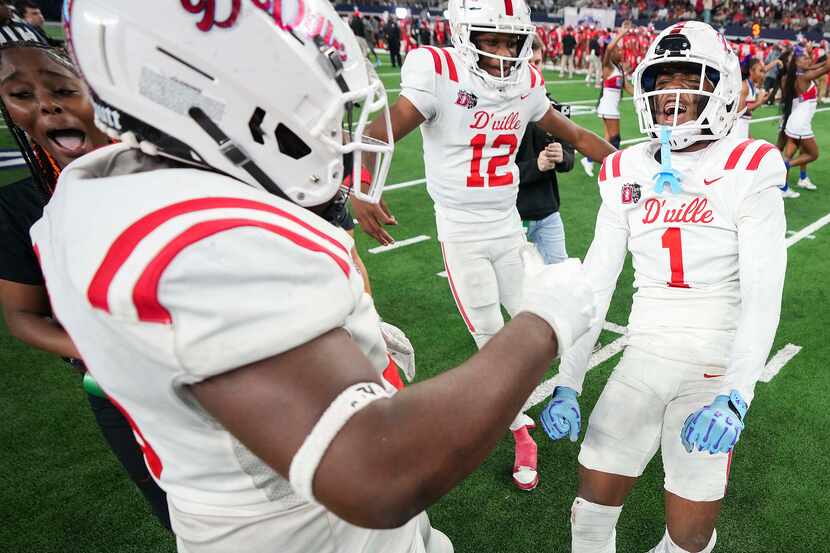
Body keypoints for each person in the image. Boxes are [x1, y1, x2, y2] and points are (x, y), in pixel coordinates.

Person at [39, 2, 597, 552]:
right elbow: (374, 471)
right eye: (302, 97)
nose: (329, 123)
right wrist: (544, 320)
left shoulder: (126, 192)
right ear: (196, 89)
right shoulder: (195, 240)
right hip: (304, 528)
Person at [542, 21, 786, 553]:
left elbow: (764, 300)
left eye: (688, 78)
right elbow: (595, 286)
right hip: (642, 356)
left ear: (721, 87)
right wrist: (569, 379)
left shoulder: (749, 165)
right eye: (662, 81)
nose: (672, 96)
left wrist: (735, 397)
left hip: (712, 367)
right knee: (587, 518)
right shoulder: (625, 169)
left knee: (689, 540)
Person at [350, 0, 614, 491]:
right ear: (465, 35)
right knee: (491, 341)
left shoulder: (527, 84)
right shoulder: (440, 71)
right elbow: (378, 132)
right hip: (461, 232)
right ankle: (522, 436)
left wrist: (625, 165)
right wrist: (362, 186)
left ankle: (560, 398)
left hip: (507, 224)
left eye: (510, 41)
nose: (501, 52)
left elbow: (574, 134)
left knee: (549, 319)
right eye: (490, 40)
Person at [0, 19, 172, 532]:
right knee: (192, 525)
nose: (45, 105)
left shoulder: (163, 164)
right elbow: (22, 316)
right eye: (20, 94)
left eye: (60, 89)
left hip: (220, 374)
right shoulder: (22, 205)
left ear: (94, 93)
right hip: (118, 394)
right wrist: (102, 345)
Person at [517, 36, 575, 265]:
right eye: (528, 63)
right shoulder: (498, 111)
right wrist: (536, 166)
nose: (534, 69)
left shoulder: (554, 106)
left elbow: (570, 157)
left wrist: (562, 157)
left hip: (548, 213)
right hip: (511, 217)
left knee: (560, 280)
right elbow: (491, 171)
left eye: (538, 62)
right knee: (517, 292)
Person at [581, 22, 634, 178]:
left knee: (607, 138)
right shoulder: (608, 67)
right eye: (618, 50)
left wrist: (641, 96)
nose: (620, 52)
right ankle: (614, 168)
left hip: (610, 107)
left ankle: (589, 160)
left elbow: (628, 88)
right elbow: (609, 48)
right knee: (615, 138)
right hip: (608, 107)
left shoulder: (619, 70)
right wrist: (622, 34)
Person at [780, 45, 830, 193]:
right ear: (798, 63)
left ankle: (783, 188)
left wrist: (817, 60)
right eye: (805, 59)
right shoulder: (804, 76)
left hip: (795, 122)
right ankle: (786, 167)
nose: (809, 60)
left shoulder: (800, 73)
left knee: (788, 155)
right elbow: (826, 68)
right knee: (813, 154)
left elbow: (817, 65)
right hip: (800, 125)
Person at [732, 57, 772, 138]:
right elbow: (740, 110)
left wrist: (762, 100)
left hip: (743, 125)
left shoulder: (752, 86)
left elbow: (749, 110)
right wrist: (759, 102)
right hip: (736, 129)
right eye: (760, 71)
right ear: (751, 71)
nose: (762, 74)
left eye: (763, 72)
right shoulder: (744, 86)